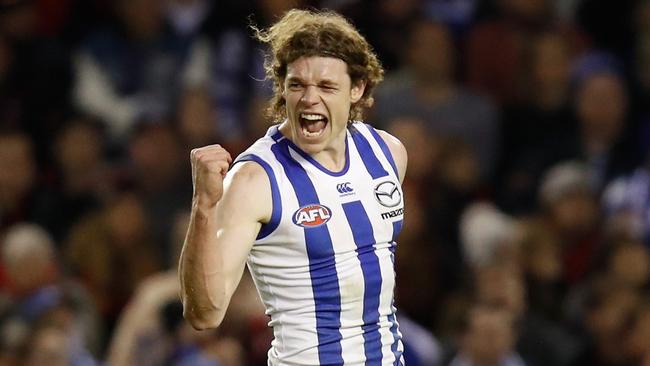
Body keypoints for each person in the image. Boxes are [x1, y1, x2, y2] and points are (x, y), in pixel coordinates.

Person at [179, 9, 408, 365]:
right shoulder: (254, 179)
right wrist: (203, 208)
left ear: (357, 89)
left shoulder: (388, 154)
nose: (309, 99)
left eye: (327, 86)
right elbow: (204, 315)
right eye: (297, 85)